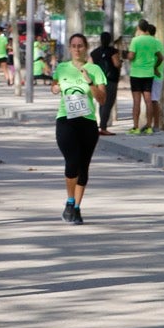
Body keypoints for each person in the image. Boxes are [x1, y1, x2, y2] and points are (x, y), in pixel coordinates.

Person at [52, 32, 107, 223]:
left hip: (87, 122)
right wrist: (55, 88)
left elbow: (102, 99)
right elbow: (54, 85)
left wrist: (89, 81)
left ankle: (76, 207)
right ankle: (69, 200)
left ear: (86, 48)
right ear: (69, 48)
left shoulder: (95, 69)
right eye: (73, 46)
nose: (77, 49)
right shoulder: (62, 68)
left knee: (83, 167)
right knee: (72, 161)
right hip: (66, 119)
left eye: (80, 46)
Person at [126, 20, 161, 134]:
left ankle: (136, 127)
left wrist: (127, 56)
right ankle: (149, 126)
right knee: (148, 101)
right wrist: (155, 67)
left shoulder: (135, 40)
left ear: (138, 28)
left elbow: (131, 56)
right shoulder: (153, 41)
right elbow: (160, 57)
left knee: (136, 101)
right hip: (149, 74)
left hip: (136, 73)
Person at [91, 31, 123, 134]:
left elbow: (90, 66)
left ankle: (101, 126)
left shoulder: (94, 52)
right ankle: (103, 128)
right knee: (109, 103)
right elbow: (116, 64)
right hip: (110, 80)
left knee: (101, 103)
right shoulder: (113, 51)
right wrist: (120, 62)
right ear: (110, 40)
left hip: (98, 80)